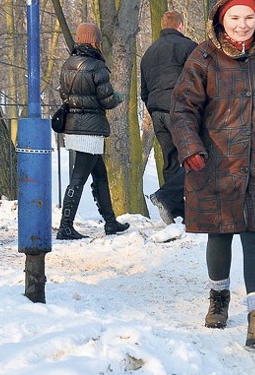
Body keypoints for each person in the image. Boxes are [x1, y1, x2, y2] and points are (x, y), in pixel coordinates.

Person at [168, 0, 255, 348]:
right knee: (220, 234)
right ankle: (218, 296)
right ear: (221, 19)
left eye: (249, 17)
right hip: (213, 162)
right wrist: (189, 147)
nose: (242, 24)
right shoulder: (203, 57)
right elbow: (182, 108)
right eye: (235, 17)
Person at [56, 22, 129, 240]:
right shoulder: (97, 67)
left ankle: (110, 222)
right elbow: (106, 100)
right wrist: (118, 97)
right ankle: (65, 226)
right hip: (90, 129)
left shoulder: (67, 65)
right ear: (95, 41)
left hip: (73, 125)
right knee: (78, 178)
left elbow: (64, 95)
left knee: (100, 175)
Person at [140, 11, 197, 224]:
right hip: (181, 110)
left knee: (171, 160)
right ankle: (165, 196)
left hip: (157, 113)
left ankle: (176, 213)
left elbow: (144, 91)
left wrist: (155, 109)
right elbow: (200, 80)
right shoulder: (188, 47)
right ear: (180, 26)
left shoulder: (148, 53)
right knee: (197, 157)